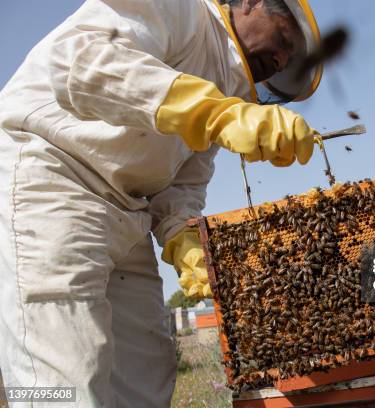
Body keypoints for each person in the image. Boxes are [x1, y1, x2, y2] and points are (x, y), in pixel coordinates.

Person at [0, 0, 322, 405]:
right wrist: (213, 114)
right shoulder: (181, 9)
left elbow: (182, 186)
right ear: (251, 2)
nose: (280, 59)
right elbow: (80, 62)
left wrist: (183, 240)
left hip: (126, 211)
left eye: (288, 59)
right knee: (65, 373)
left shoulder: (229, 94)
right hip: (52, 179)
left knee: (145, 373)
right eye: (284, 38)